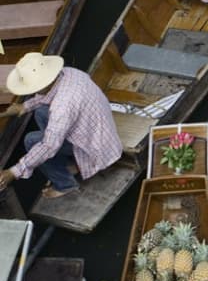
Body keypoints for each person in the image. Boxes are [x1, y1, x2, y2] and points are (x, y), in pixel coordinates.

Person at [0, 53, 122, 198]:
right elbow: (47, 96)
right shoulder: (69, 72)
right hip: (99, 129)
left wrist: (14, 171)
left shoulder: (63, 106)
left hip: (96, 147)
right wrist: (23, 107)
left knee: (32, 141)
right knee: (40, 112)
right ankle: (72, 163)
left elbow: (48, 146)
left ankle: (65, 185)